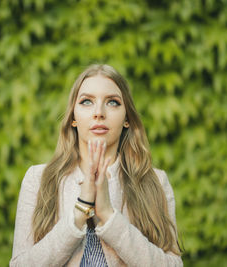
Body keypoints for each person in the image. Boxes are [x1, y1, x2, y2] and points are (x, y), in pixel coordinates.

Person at [10, 64, 182, 267]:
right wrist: (80, 210)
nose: (99, 112)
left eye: (112, 102)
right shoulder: (38, 179)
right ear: (73, 117)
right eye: (86, 101)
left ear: (127, 118)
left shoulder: (155, 181)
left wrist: (109, 216)